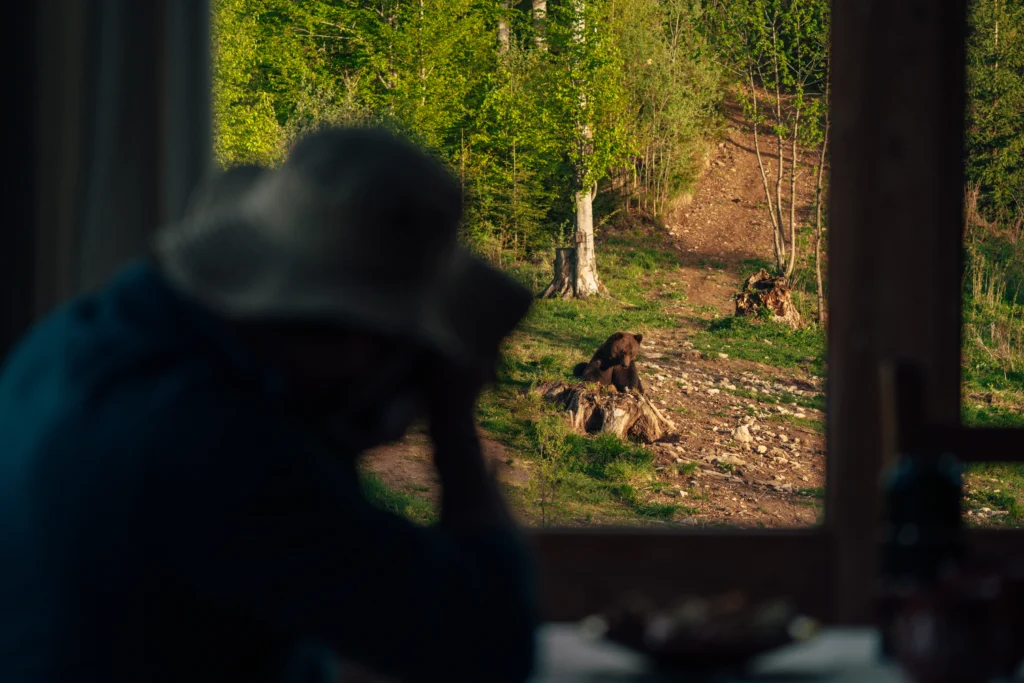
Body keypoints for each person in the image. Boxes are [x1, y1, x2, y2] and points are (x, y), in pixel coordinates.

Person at [0, 127, 538, 683]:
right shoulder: (228, 452)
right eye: (409, 353)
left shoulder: (82, 337)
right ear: (350, 337)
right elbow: (491, 648)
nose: (410, 383)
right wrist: (454, 430)